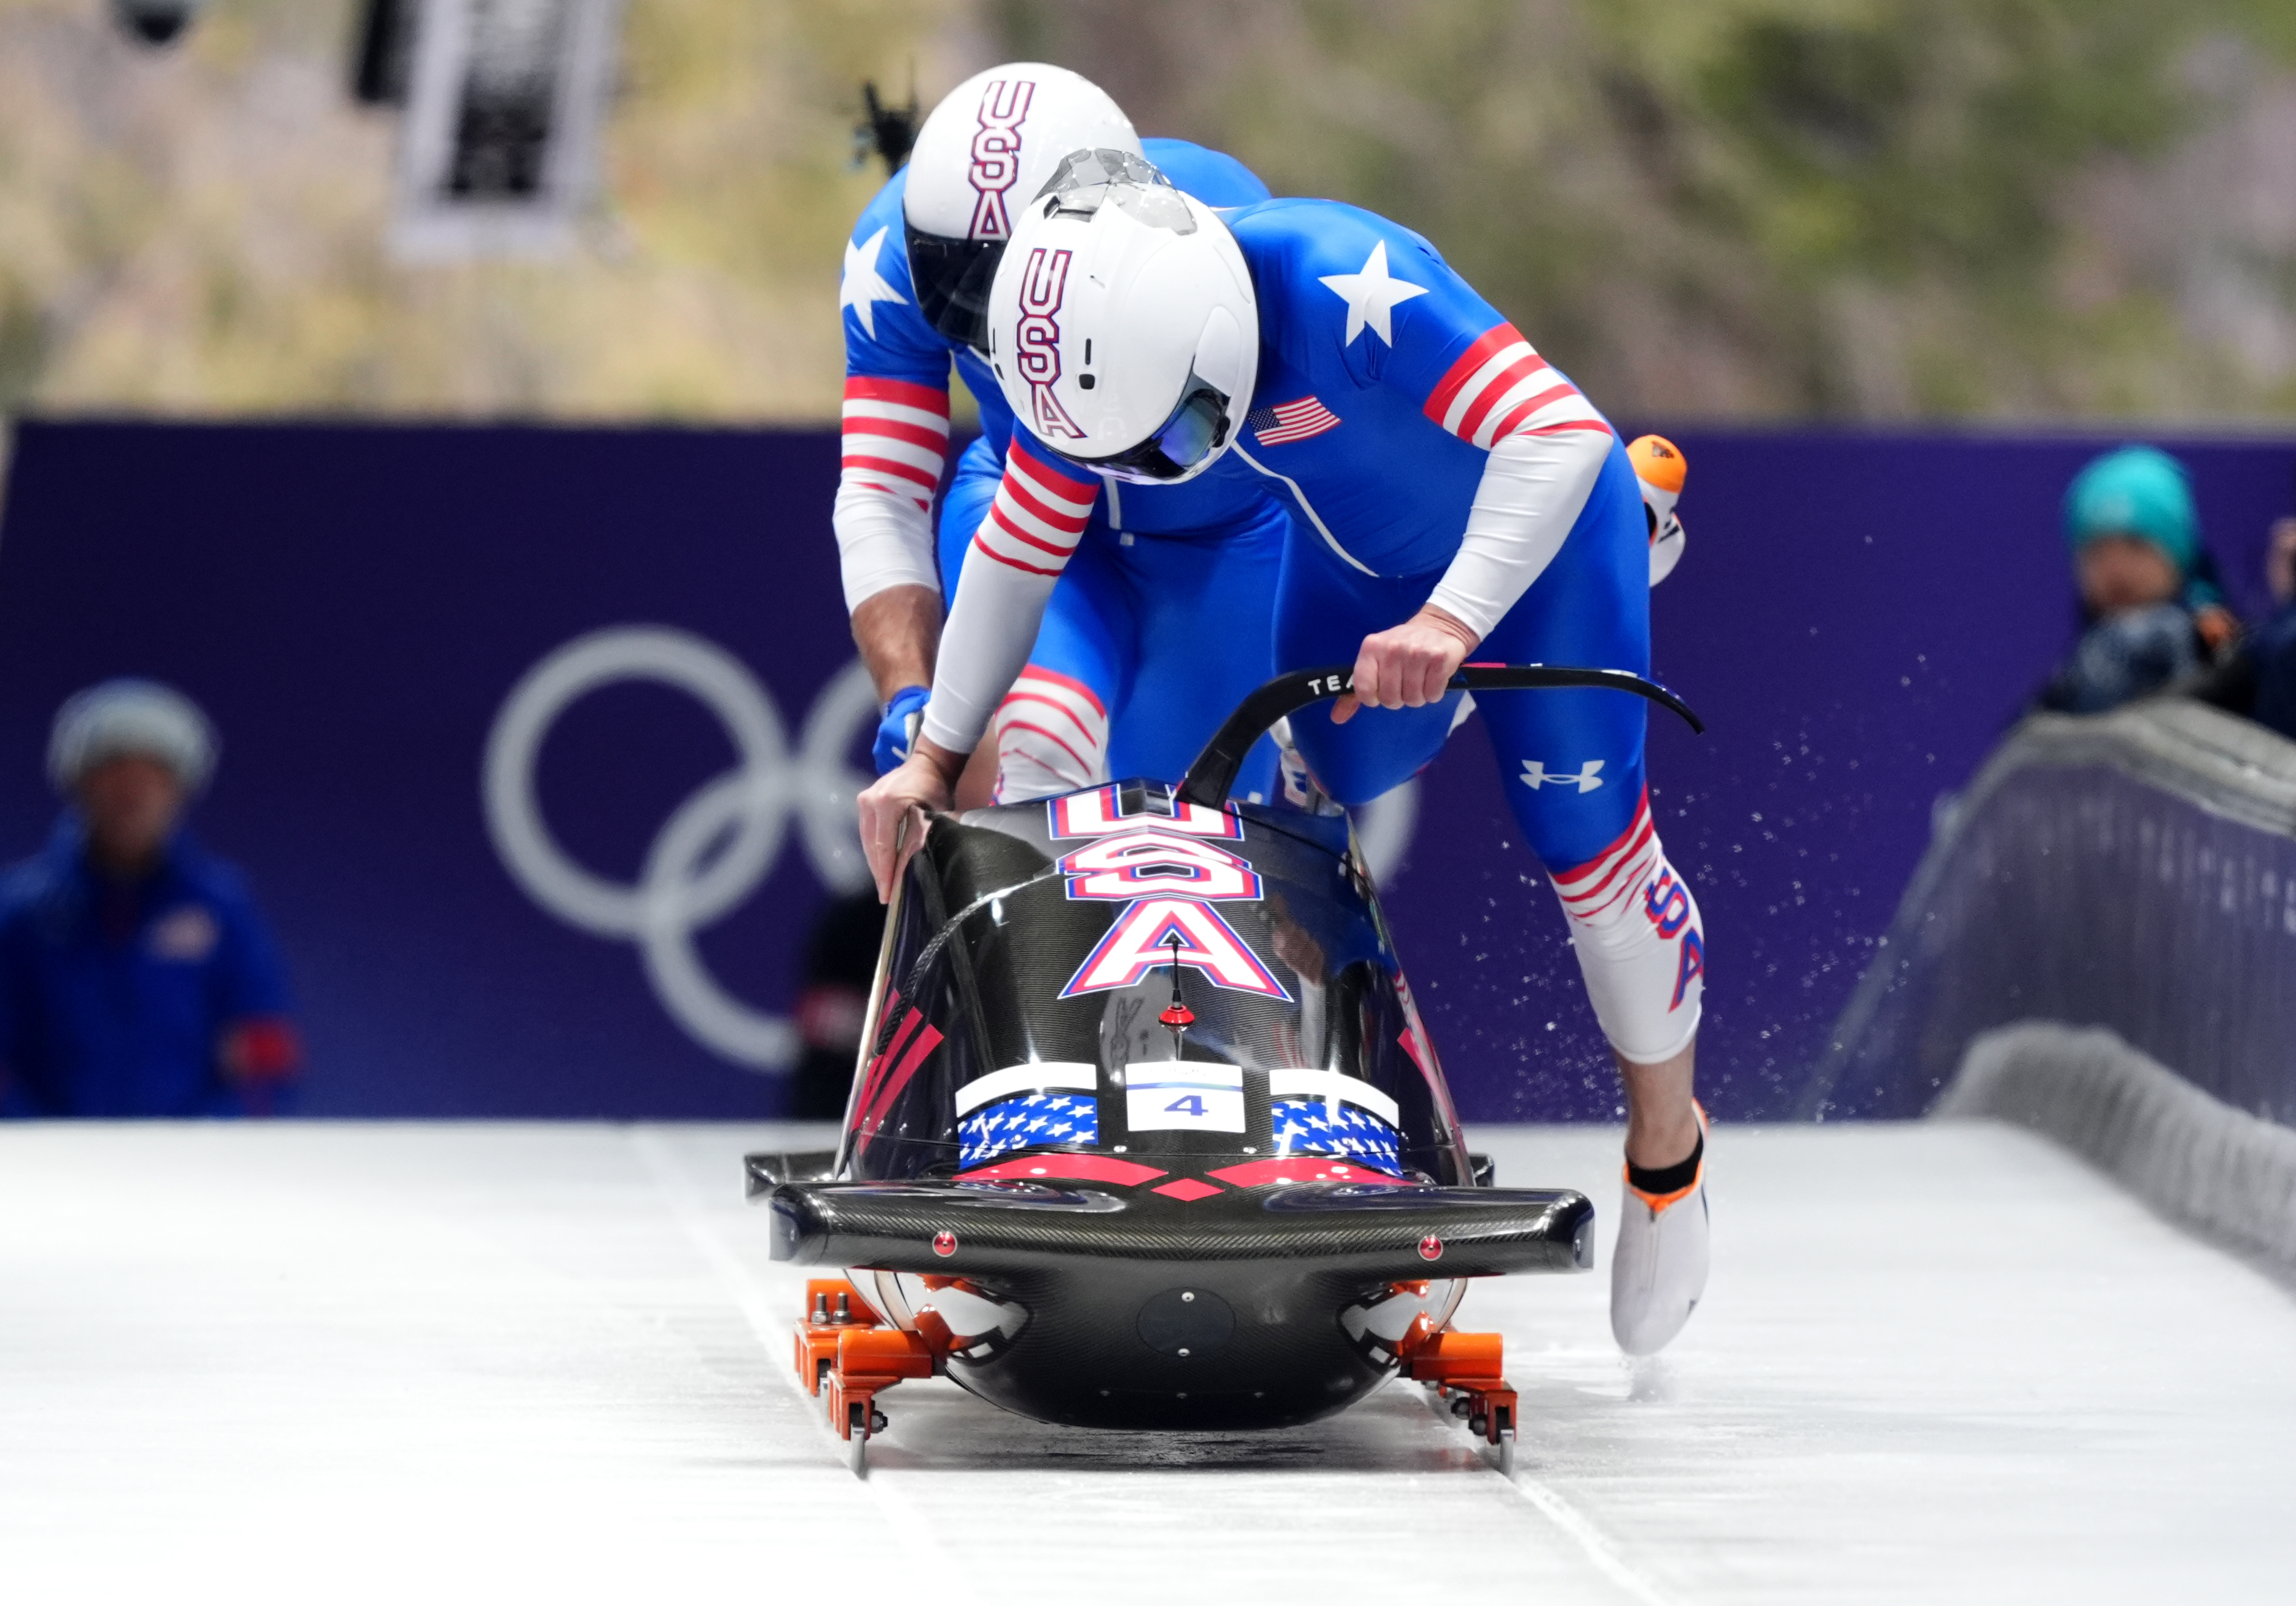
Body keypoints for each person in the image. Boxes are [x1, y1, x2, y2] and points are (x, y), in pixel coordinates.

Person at [861, 159, 1710, 1355]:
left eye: (1177, 436)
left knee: (1591, 863)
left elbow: (1553, 432)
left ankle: (1668, 1154)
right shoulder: (1096, 366)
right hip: (1360, 572)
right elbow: (1017, 550)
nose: (1156, 470)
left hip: (1546, 544)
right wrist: (933, 752)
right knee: (1331, 787)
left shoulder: (1344, 282)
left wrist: (1451, 622)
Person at [834, 69, 1289, 806]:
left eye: (1015, 284)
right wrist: (909, 698)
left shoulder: (1228, 227)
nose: (1000, 330)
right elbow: (880, 491)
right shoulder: (886, 258)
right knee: (1041, 744)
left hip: (1223, 541)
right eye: (963, 294)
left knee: (1196, 832)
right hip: (1022, 505)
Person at [0, 681, 300, 1118]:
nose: (133, 790)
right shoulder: (21, 913)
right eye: (112, 768)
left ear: (181, 788)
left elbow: (267, 1055)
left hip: (193, 1155)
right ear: (78, 783)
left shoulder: (221, 910)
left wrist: (212, 1138)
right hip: (49, 1155)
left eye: (154, 772)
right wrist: (39, 1141)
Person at [2037, 445, 2239, 716]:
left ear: (2178, 553)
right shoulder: (2072, 676)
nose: (2117, 570)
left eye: (2136, 547)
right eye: (2098, 553)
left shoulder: (2232, 659)